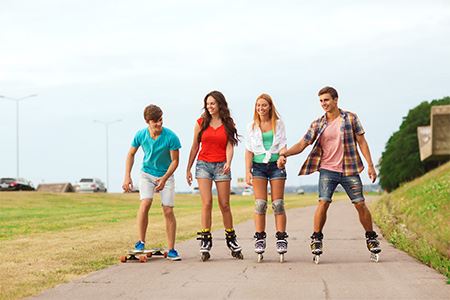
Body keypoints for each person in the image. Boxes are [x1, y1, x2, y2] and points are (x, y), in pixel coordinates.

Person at [278, 86, 381, 259]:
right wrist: (284, 153)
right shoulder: (318, 123)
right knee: (323, 202)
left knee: (360, 204)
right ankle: (316, 238)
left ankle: (371, 237)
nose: (323, 104)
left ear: (335, 100)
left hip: (349, 169)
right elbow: (303, 144)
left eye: (326, 100)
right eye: (321, 101)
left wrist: (370, 165)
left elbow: (362, 142)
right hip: (327, 170)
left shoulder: (350, 118)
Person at [186, 90, 243, 261]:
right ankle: (205, 240)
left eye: (213, 103)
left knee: (224, 204)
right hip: (203, 164)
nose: (210, 106)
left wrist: (228, 162)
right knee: (207, 203)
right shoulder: (201, 122)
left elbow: (230, 145)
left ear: (220, 104)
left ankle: (231, 239)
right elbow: (195, 146)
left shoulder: (228, 123)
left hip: (221, 166)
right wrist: (188, 168)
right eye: (207, 103)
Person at [122, 104, 182, 261]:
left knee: (168, 210)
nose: (159, 124)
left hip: (166, 175)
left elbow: (175, 161)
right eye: (155, 121)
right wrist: (127, 176)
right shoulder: (141, 135)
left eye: (161, 120)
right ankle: (141, 242)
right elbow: (131, 154)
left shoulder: (171, 137)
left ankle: (172, 249)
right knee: (145, 203)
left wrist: (164, 178)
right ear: (147, 122)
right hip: (147, 174)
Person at [245, 93, 288, 261]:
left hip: (276, 165)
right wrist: (247, 171)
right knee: (260, 204)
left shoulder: (279, 124)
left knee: (278, 204)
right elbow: (249, 150)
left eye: (264, 105)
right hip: (258, 167)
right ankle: (260, 237)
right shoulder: (251, 126)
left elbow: (283, 145)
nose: (261, 108)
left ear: (270, 106)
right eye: (258, 106)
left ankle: (281, 237)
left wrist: (283, 157)